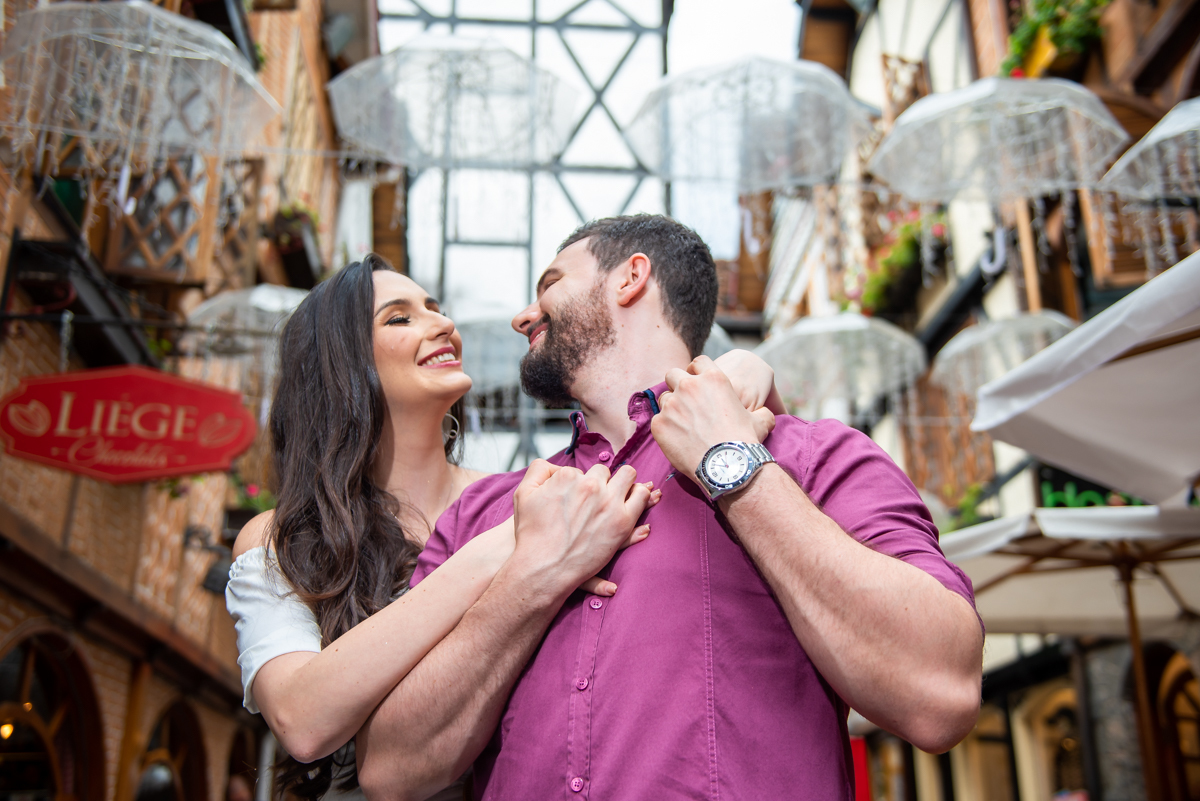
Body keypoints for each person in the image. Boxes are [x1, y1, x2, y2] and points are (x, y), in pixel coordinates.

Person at [355, 215, 985, 801]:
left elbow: (940, 694)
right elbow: (391, 772)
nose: (523, 317)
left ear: (631, 277)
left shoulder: (811, 457)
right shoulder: (484, 514)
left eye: (548, 284)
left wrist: (730, 462)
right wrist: (530, 582)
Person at [224, 254, 780, 800]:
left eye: (436, 308)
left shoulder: (520, 495)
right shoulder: (280, 539)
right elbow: (301, 720)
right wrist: (512, 546)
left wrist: (745, 368)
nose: (443, 324)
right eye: (400, 317)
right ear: (337, 363)